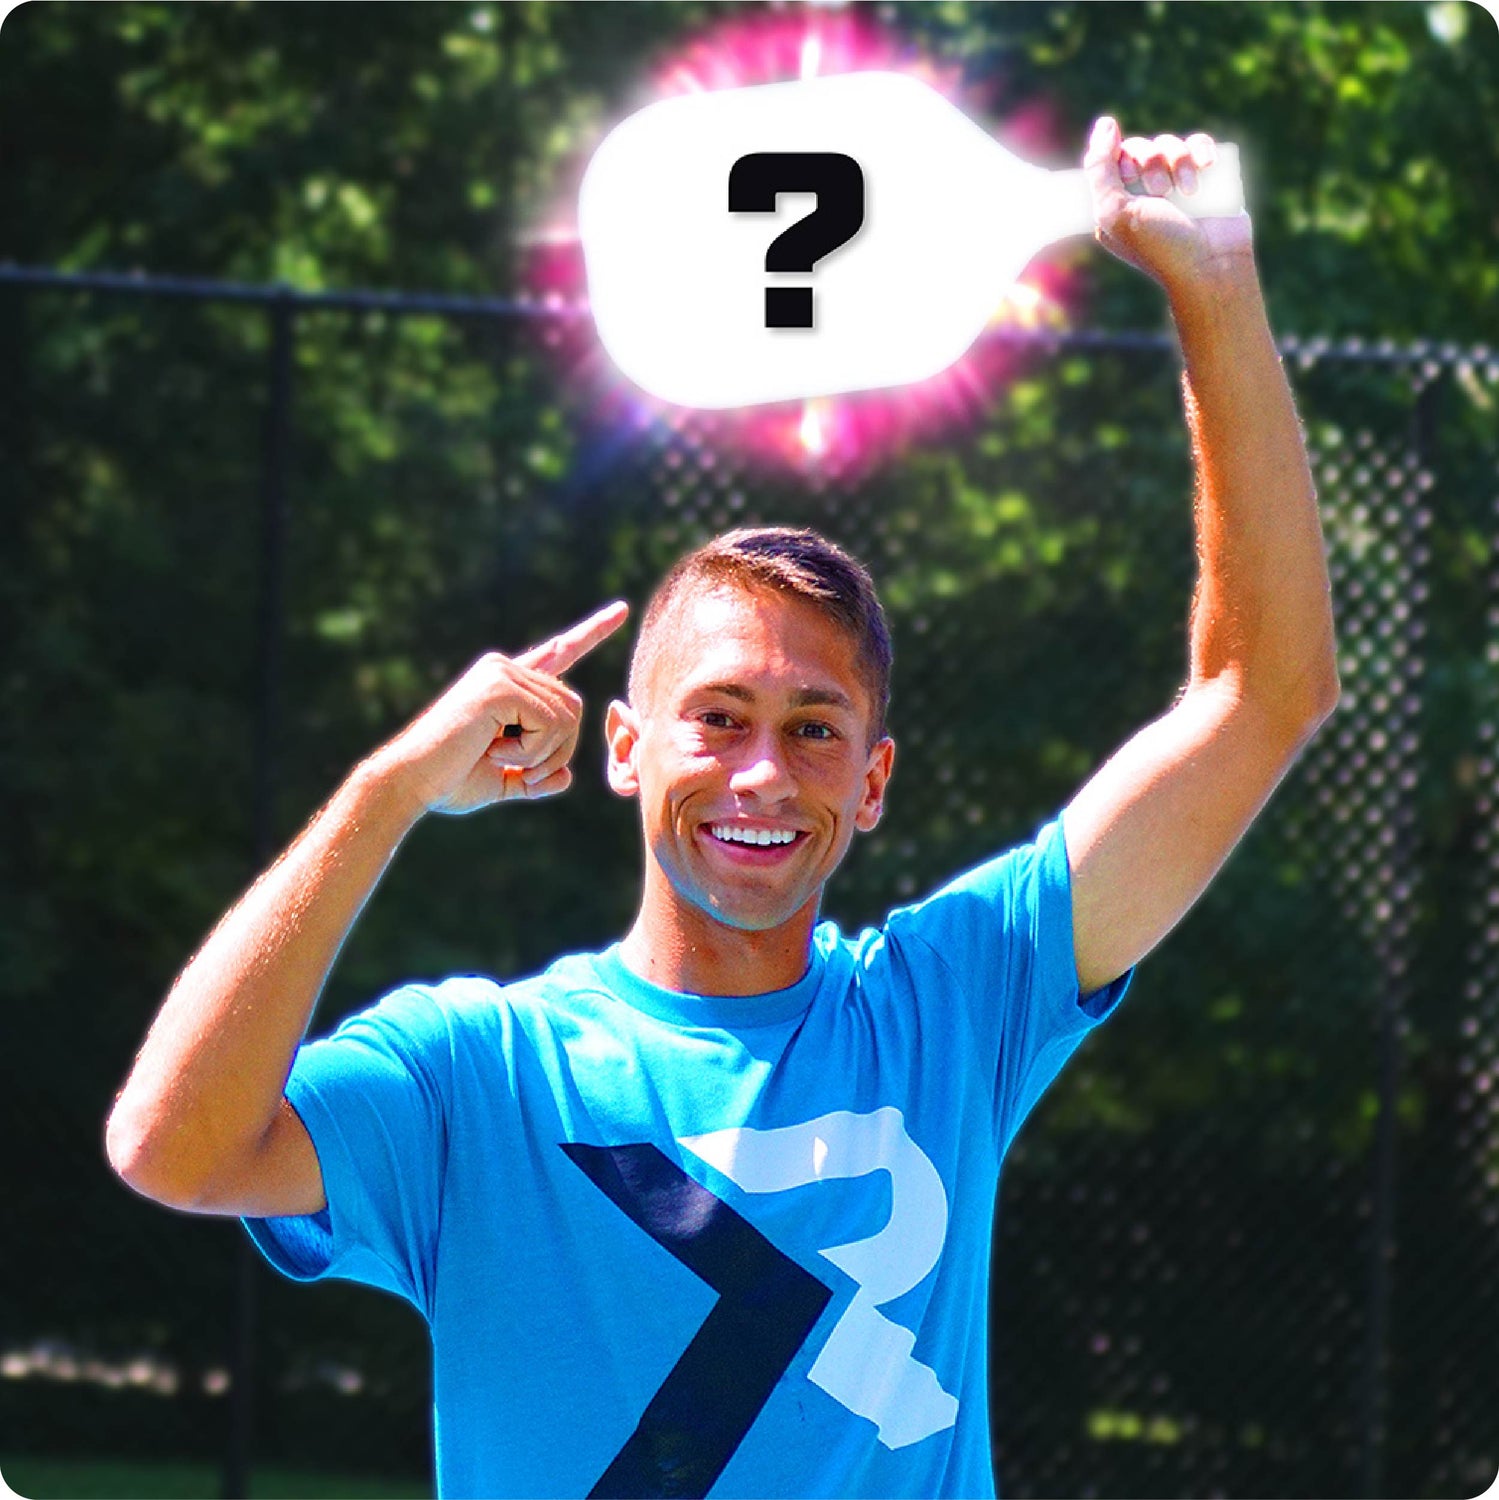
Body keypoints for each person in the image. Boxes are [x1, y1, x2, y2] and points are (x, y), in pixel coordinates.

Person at [106, 119, 1338, 1499]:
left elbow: (1262, 694)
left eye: (815, 730)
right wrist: (384, 793)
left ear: (873, 783)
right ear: (627, 749)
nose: (763, 774)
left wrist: (1214, 286)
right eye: (719, 719)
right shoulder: (476, 1072)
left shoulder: (953, 1004)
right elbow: (173, 1147)